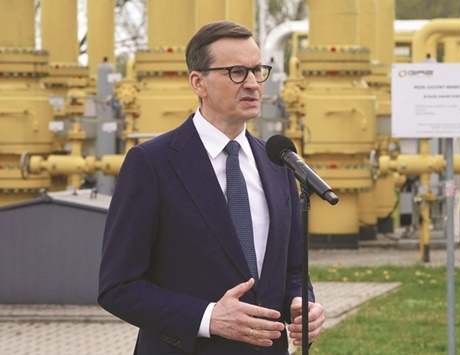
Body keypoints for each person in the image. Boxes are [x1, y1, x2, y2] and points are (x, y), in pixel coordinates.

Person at [98, 20, 325, 354]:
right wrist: (208, 318)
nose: (252, 84)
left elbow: (291, 268)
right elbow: (118, 287)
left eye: (257, 70)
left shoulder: (278, 161)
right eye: (236, 72)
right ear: (198, 82)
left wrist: (303, 302)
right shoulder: (152, 163)